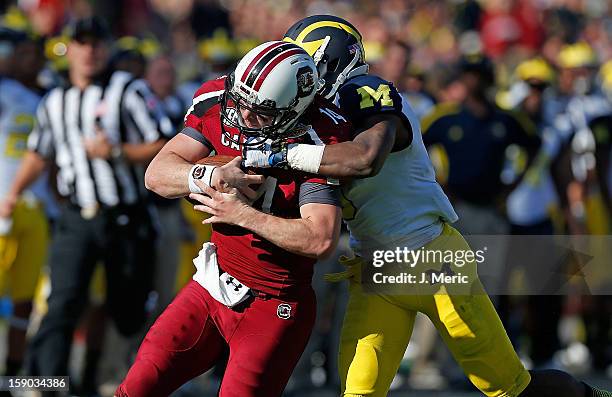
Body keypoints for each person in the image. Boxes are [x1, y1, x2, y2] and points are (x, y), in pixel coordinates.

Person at [242, 14, 611, 397]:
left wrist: (279, 155)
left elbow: (365, 157)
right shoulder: (313, 117)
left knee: (510, 388)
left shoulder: (366, 91)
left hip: (433, 260)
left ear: (327, 60)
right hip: (377, 270)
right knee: (359, 392)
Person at [115, 40, 350, 397]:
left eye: (260, 112)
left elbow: (320, 239)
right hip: (212, 284)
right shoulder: (218, 101)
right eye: (239, 103)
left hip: (274, 303)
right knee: (137, 388)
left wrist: (242, 215)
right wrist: (211, 176)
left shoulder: (322, 137)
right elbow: (157, 174)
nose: (243, 117)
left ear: (294, 109)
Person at [0, 16, 170, 394]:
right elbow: (37, 153)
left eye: (96, 43)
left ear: (106, 48)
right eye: (82, 42)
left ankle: (94, 378)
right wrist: (12, 193)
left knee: (124, 308)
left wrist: (117, 152)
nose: (89, 50)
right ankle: (45, 382)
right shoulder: (55, 100)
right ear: (69, 49)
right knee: (61, 301)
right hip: (77, 215)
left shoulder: (128, 89)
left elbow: (164, 143)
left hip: (125, 215)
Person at [0, 27, 48, 382]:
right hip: (4, 203)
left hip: (39, 208)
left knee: (25, 301)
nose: (28, 60)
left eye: (33, 53)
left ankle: (11, 378)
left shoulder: (53, 97)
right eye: (22, 53)